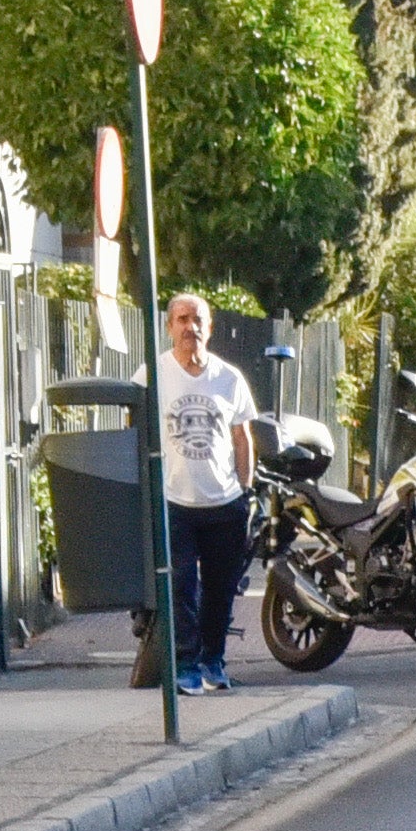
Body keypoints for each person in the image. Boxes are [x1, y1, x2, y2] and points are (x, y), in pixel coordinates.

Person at [155, 292, 255, 694]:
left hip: (223, 502)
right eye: (181, 319)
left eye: (197, 320)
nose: (189, 328)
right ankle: (185, 667)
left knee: (221, 589)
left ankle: (213, 660)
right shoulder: (154, 373)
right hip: (174, 501)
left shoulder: (229, 378)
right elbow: (136, 427)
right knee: (181, 587)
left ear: (209, 328)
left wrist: (246, 490)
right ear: (169, 327)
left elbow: (242, 438)